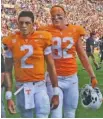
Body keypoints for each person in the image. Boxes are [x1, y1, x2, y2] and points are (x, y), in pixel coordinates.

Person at [39, 5, 98, 118]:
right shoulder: (45, 30)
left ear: (65, 16)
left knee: (70, 112)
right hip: (53, 78)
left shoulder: (75, 30)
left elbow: (82, 55)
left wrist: (92, 75)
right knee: (56, 114)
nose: (55, 18)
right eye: (53, 16)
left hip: (72, 78)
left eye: (59, 15)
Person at [2, 11, 59, 118]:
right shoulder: (11, 40)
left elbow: (51, 67)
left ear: (33, 24)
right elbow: (8, 70)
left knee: (42, 116)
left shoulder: (43, 37)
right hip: (21, 88)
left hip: (39, 86)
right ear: (17, 23)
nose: (23, 26)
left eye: (27, 23)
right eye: (21, 23)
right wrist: (8, 96)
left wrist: (56, 92)